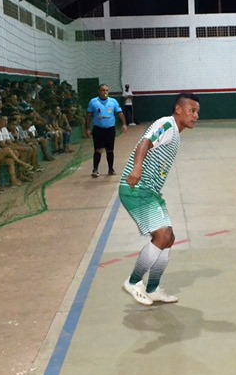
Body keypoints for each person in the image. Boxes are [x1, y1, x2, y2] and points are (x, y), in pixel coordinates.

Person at [119, 93, 200, 305]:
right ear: (178, 109)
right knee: (162, 236)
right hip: (137, 188)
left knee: (169, 238)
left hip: (150, 191)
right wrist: (137, 168)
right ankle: (133, 281)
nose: (196, 115)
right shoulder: (166, 124)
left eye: (197, 112)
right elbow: (144, 142)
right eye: (192, 111)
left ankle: (153, 288)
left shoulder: (176, 134)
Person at [84, 84, 126, 177]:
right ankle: (95, 170)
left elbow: (120, 113)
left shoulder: (113, 101)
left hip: (110, 129)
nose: (105, 92)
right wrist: (87, 129)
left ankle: (110, 169)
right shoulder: (93, 102)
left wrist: (124, 124)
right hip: (98, 129)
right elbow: (89, 116)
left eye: (107, 90)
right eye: (103, 90)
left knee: (110, 150)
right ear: (99, 91)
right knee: (98, 149)